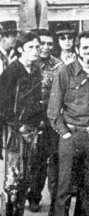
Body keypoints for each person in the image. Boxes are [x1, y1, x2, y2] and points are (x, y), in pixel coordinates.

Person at [47, 30, 89, 216]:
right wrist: (66, 134)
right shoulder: (64, 72)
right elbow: (53, 111)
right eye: (85, 47)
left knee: (87, 188)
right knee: (65, 188)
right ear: (77, 49)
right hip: (71, 136)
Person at [0, 31, 43, 216]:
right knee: (13, 180)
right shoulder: (12, 72)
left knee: (26, 176)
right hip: (14, 132)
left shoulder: (35, 70)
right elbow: (3, 106)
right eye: (30, 47)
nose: (35, 51)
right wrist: (20, 127)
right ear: (20, 50)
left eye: (37, 47)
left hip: (31, 131)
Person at [26, 29, 62, 213]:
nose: (46, 47)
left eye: (50, 44)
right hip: (33, 119)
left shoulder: (58, 65)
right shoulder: (29, 64)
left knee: (55, 159)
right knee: (36, 161)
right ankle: (33, 197)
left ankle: (56, 198)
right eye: (42, 44)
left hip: (53, 118)